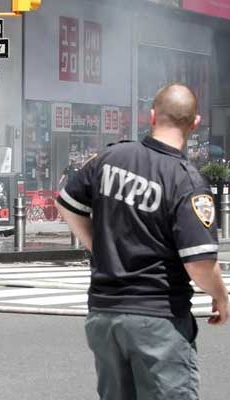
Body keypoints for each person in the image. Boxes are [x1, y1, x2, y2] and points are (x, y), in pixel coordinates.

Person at [56, 83, 229, 400]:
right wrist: (220, 294)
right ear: (195, 123)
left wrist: (98, 246)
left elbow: (67, 204)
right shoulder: (186, 180)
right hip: (157, 317)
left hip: (104, 316)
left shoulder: (110, 157)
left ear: (152, 117)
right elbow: (200, 263)